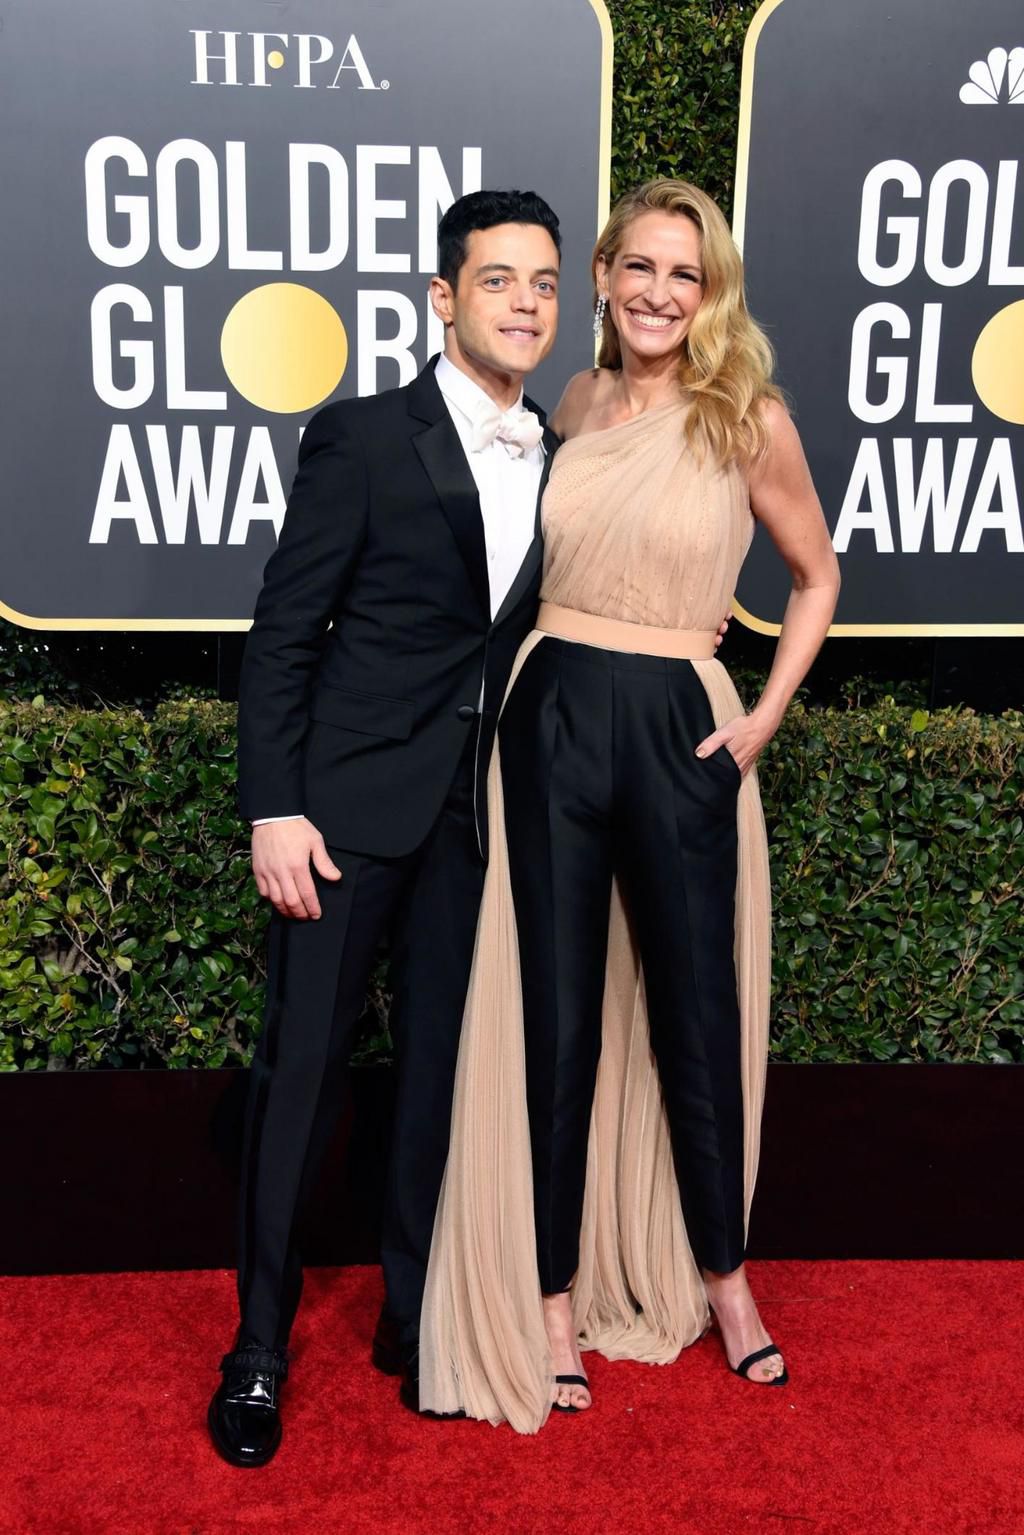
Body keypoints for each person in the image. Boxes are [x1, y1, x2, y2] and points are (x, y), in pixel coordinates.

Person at [419, 178, 841, 1430]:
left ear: (711, 296)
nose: (660, 291)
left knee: (694, 1015)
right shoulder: (576, 405)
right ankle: (551, 1298)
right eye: (639, 267)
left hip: (677, 727)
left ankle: (725, 1278)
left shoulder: (744, 418)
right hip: (547, 716)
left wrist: (759, 717)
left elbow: (816, 575)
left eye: (687, 274)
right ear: (602, 275)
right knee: (556, 1017)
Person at [207, 190, 566, 1467]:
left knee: (438, 1081)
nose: (524, 302)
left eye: (541, 282)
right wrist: (274, 806)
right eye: (497, 280)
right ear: (442, 298)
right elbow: (284, 633)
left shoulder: (561, 448)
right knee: (297, 1076)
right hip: (344, 812)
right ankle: (256, 1344)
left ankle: (414, 1315)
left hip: (481, 822)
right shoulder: (363, 435)